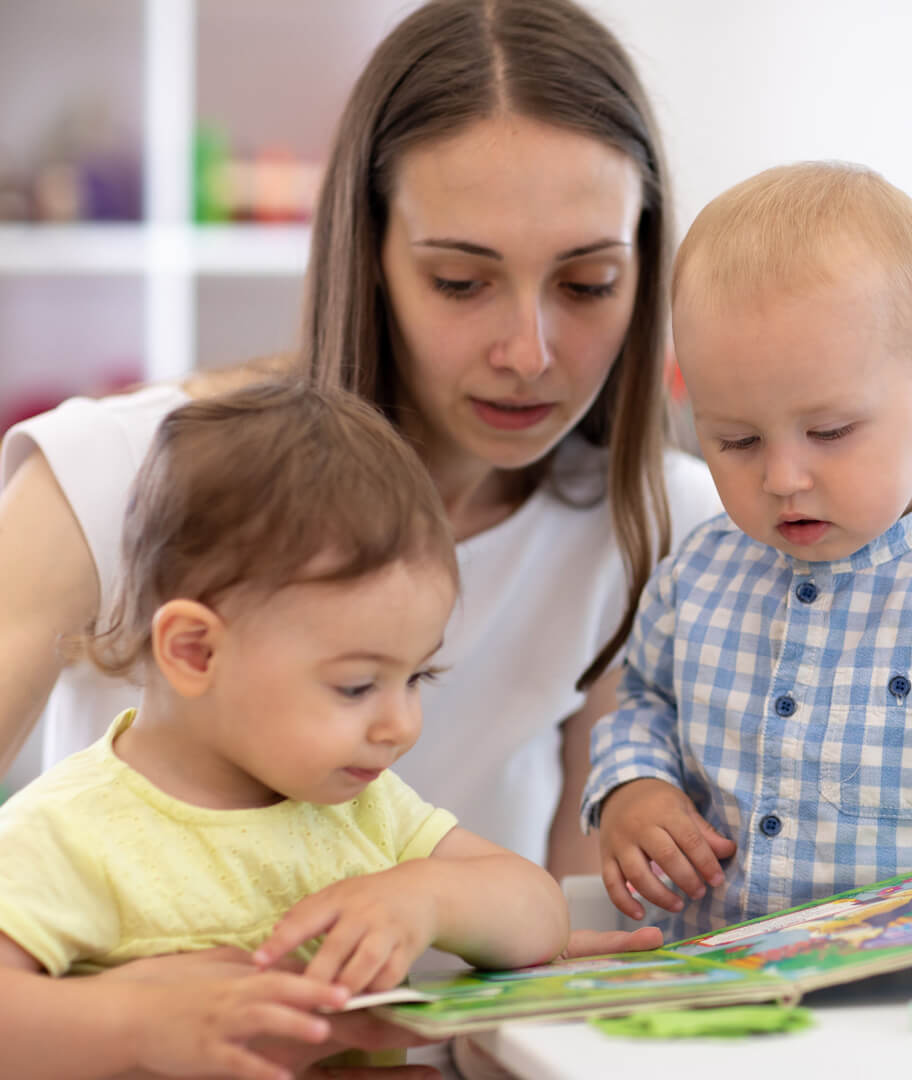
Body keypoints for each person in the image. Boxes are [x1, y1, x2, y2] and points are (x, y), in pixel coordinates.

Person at [0, 0, 718, 889]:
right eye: (460, 281)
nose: (528, 355)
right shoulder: (109, 476)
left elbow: (587, 946)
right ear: (366, 249)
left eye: (587, 283)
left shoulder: (662, 523)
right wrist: (147, 1020)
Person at [0, 378, 572, 1080]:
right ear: (195, 651)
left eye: (417, 678)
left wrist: (428, 897)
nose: (401, 725)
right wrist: (141, 1027)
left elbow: (539, 910)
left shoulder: (363, 810)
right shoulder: (70, 833)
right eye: (357, 686)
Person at [581, 161, 912, 944]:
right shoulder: (697, 578)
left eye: (831, 432)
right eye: (735, 440)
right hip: (710, 1015)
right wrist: (633, 788)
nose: (783, 478)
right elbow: (641, 702)